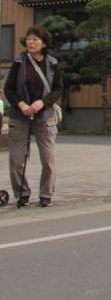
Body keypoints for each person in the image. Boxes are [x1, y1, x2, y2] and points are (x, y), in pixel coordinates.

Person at [4, 26, 63, 207]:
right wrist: (21, 104)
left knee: (48, 158)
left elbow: (58, 89)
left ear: (44, 43)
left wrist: (42, 103)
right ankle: (22, 193)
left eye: (35, 39)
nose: (31, 42)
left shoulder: (52, 64)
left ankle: (46, 194)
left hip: (43, 115)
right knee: (16, 159)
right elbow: (9, 88)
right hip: (19, 115)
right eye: (29, 39)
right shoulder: (19, 62)